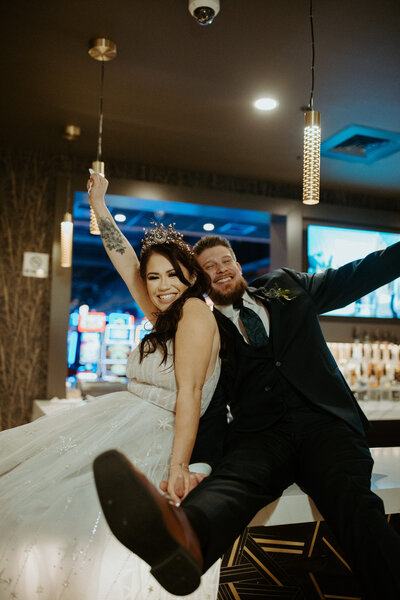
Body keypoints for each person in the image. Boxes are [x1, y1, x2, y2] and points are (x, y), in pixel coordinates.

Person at [94, 234, 400, 600]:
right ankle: (184, 536)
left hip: (326, 424)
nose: (220, 269)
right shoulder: (204, 324)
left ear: (238, 265)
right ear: (199, 280)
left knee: (352, 502)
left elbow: (361, 272)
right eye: (208, 266)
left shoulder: (287, 284)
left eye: (226, 260)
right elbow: (206, 396)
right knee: (233, 482)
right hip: (261, 435)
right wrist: (200, 467)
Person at [0, 174, 222, 600]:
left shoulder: (194, 310)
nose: (161, 286)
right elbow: (124, 261)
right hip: (119, 417)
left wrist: (178, 467)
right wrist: (98, 206)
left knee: (66, 509)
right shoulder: (166, 314)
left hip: (155, 432)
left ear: (192, 276)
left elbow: (191, 394)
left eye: (171, 275)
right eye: (154, 278)